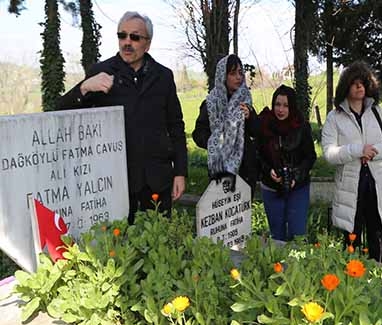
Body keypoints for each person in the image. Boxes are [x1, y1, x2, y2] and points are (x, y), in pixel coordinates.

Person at [56, 11, 187, 224]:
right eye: (122, 35)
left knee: (160, 245)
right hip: (116, 181)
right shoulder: (101, 72)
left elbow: (176, 126)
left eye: (135, 37)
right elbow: (60, 111)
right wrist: (85, 87)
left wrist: (180, 172)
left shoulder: (164, 76)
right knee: (121, 249)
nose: (127, 42)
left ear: (148, 43)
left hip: (158, 180)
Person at [321, 61, 382, 262]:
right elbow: (329, 153)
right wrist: (357, 151)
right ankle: (352, 281)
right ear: (346, 86)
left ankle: (380, 279)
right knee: (351, 238)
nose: (359, 87)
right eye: (354, 83)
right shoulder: (334, 117)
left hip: (377, 184)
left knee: (377, 234)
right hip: (351, 186)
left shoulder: (377, 112)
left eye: (362, 83)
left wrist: (374, 152)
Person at [253, 85, 316, 241]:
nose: (280, 109)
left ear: (292, 107)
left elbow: (310, 157)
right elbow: (257, 155)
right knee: (277, 236)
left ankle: (297, 264)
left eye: (286, 105)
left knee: (297, 234)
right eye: (277, 104)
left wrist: (296, 175)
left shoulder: (301, 126)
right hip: (271, 187)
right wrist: (269, 171)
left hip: (298, 187)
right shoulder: (264, 124)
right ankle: (279, 265)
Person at [192, 54, 258, 195]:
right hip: (220, 172)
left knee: (242, 216)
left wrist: (250, 117)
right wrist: (216, 141)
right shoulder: (210, 103)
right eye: (233, 73)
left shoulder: (246, 101)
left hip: (246, 170)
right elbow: (198, 134)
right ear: (223, 75)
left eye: (240, 73)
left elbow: (258, 132)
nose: (238, 77)